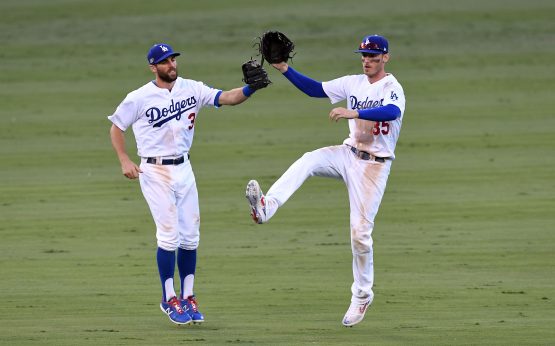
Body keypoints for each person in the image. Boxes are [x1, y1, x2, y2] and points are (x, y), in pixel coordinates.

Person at [245, 34, 406, 327]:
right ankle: (267, 206)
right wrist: (284, 69)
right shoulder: (352, 82)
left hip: (374, 167)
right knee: (308, 160)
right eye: (364, 55)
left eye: (373, 56)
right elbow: (315, 89)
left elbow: (391, 112)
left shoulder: (391, 87)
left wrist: (353, 111)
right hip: (347, 154)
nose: (367, 60)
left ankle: (362, 294)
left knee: (360, 234)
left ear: (385, 57)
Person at [108, 43, 269, 325]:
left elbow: (227, 98)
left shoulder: (191, 88)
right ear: (153, 67)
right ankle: (169, 298)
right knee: (169, 237)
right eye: (165, 61)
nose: (171, 65)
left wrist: (250, 89)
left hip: (184, 168)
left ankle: (189, 297)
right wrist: (124, 160)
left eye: (173, 60)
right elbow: (116, 127)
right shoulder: (139, 97)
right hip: (154, 171)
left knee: (191, 237)